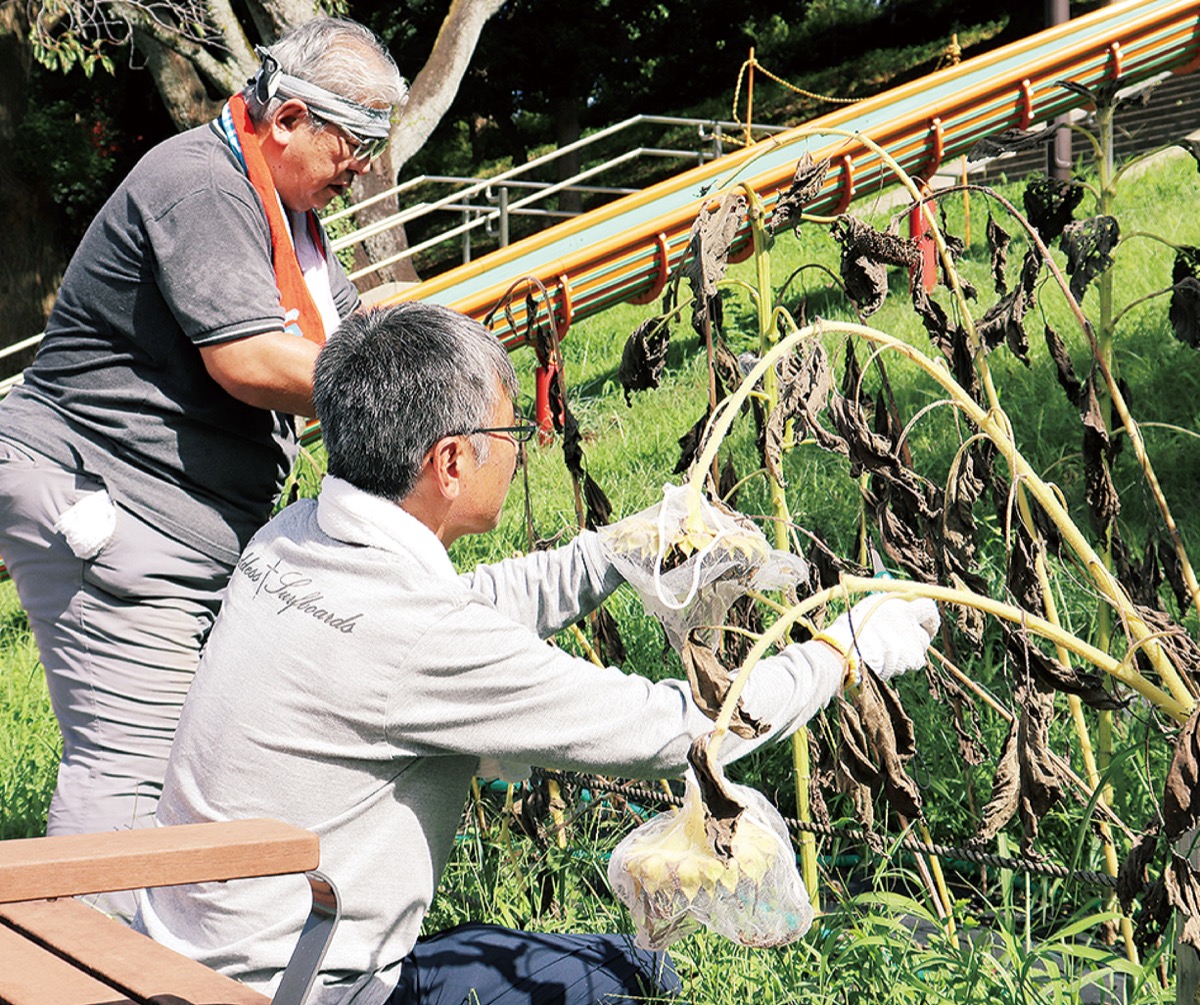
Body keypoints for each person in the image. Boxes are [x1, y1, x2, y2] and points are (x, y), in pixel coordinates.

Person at [137, 301, 941, 1005]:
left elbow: (462, 613)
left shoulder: (291, 539)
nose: (521, 445)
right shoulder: (417, 640)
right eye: (511, 428)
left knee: (619, 966)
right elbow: (681, 730)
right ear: (450, 462)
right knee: (636, 985)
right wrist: (844, 650)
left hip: (198, 950)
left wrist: (618, 550)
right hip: (303, 987)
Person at [0, 16, 406, 914]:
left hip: (163, 519)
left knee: (193, 755)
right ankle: (58, 967)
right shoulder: (202, 183)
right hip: (105, 504)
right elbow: (254, 359)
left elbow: (347, 337)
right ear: (292, 116)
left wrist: (426, 350)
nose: (366, 168)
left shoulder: (288, 215)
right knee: (128, 773)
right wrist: (410, 400)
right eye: (359, 143)